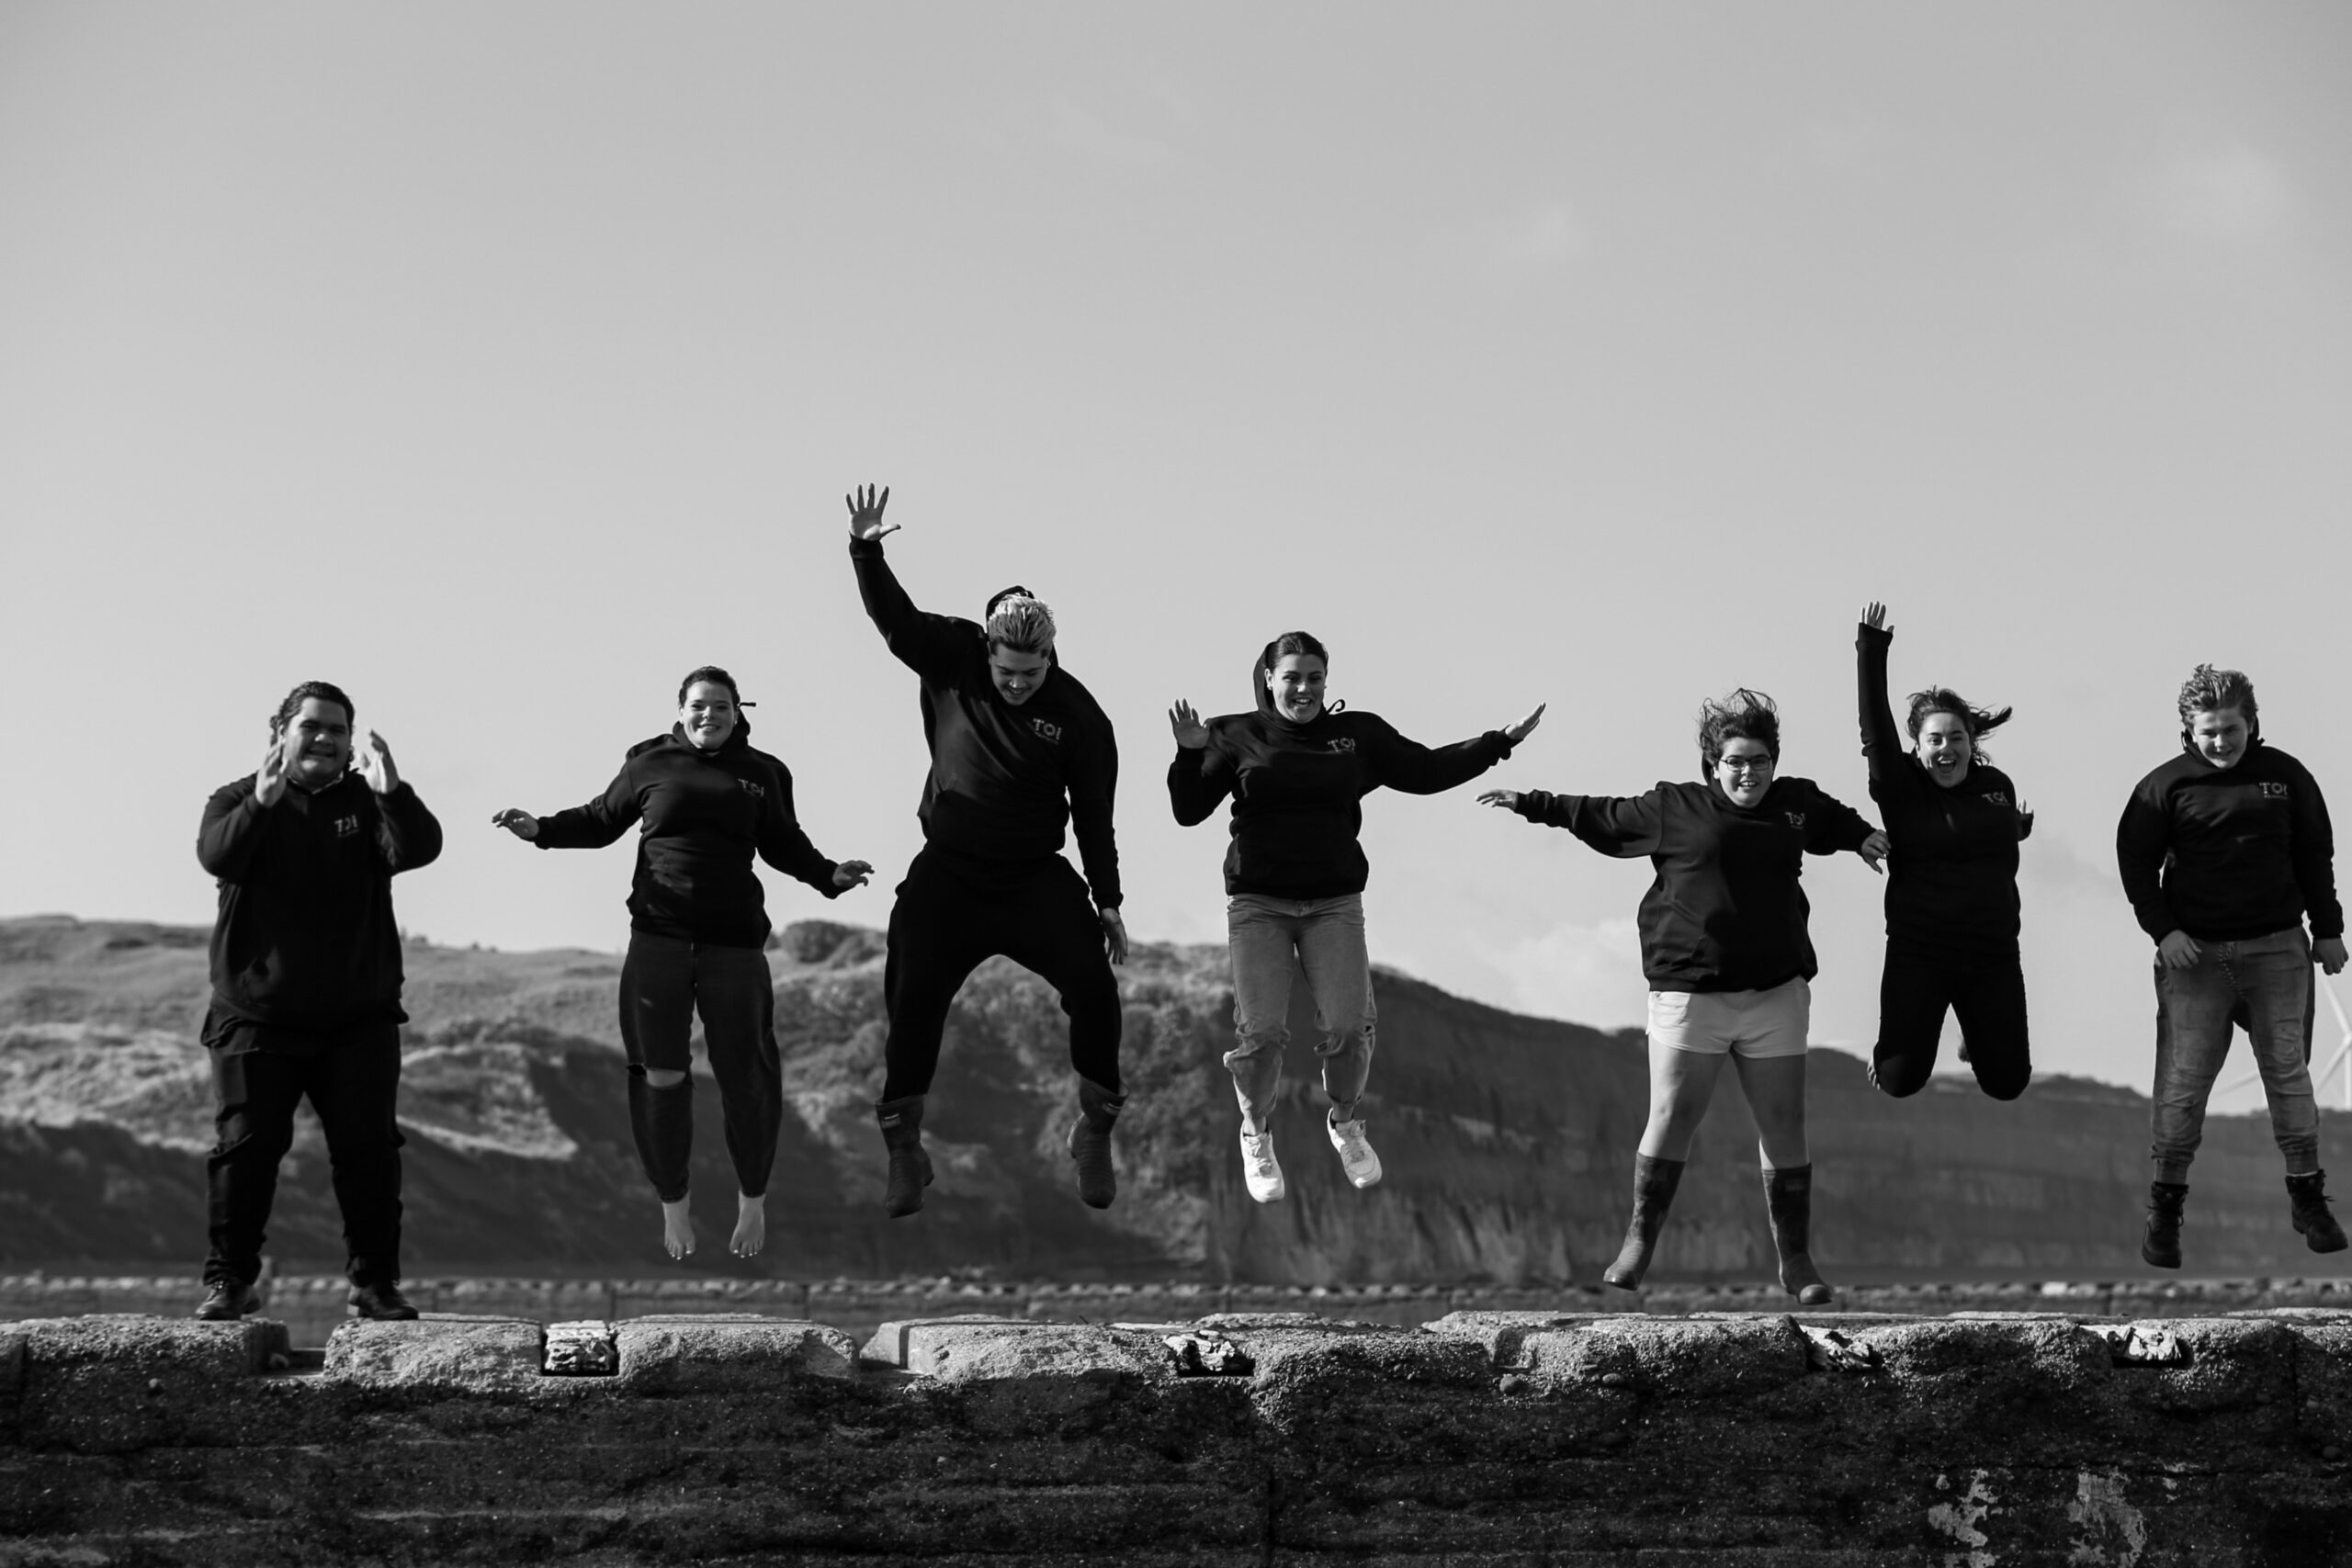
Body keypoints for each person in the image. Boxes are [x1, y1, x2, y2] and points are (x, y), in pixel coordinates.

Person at [1481, 690, 1887, 1306]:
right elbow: (1604, 815)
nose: (1748, 772)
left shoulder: (1795, 805)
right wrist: (1533, 803)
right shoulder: (1675, 807)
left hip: (1774, 994)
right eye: (1735, 762)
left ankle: (1797, 1262)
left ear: (1773, 762)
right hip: (1690, 996)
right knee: (1672, 1118)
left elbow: (1842, 824)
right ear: (1712, 765)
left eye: (1758, 761)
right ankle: (1638, 1244)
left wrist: (1864, 839)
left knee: (1785, 1124)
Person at [492, 667, 871, 1260]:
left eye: (719, 706)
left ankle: (752, 1197)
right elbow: (599, 819)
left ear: (736, 711)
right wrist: (539, 828)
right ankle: (674, 1202)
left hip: (735, 944)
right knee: (661, 1075)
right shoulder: (649, 764)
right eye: (698, 705)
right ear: (681, 708)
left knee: (747, 1076)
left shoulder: (763, 773)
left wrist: (829, 875)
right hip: (659, 940)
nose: (708, 715)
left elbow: (784, 842)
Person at [1168, 633, 1542, 1201]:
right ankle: (1256, 1132)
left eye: (1315, 678)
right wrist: (1191, 752)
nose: (1304, 688)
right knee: (1263, 1033)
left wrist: (1499, 743)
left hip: (1334, 906)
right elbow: (1188, 811)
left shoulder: (1357, 735)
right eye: (1292, 677)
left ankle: (1344, 1122)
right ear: (1269, 678)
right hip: (1258, 908)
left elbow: (1425, 770)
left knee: (1349, 1026)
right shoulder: (1233, 733)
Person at [843, 483, 1127, 1217]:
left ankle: (1094, 1130)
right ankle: (905, 1147)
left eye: (1031, 675)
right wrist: (866, 550)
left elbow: (1095, 815)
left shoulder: (1079, 716)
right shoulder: (952, 655)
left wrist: (1110, 901)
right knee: (911, 998)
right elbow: (893, 620)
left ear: (1052, 657)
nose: (1017, 684)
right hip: (950, 875)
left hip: (1034, 878)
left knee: (1095, 989)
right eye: (1006, 671)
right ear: (988, 648)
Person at [195, 682, 443, 1322]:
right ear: (280, 731)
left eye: (338, 729)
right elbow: (216, 854)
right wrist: (262, 801)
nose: (327, 739)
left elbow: (416, 849)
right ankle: (230, 1282)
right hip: (256, 1017)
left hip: (356, 1020)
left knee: (368, 1156)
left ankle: (375, 1285)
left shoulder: (367, 801)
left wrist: (392, 790)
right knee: (245, 1152)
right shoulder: (235, 800)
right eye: (312, 727)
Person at [2117, 663, 2347, 1268]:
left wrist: (2328, 929)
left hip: (2278, 948)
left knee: (2290, 1074)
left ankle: (2308, 1198)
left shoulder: (2286, 776)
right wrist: (2164, 931)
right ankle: (2164, 1212)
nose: (2221, 741)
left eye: (2231, 729)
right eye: (2209, 731)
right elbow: (2136, 864)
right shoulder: (2163, 786)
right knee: (2183, 1087)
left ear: (2252, 723)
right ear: (2188, 731)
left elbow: (2314, 854)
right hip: (2196, 957)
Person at [1856, 601, 2034, 1100]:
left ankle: (1975, 1033)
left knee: (2007, 1083)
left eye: (1957, 737)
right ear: (1917, 746)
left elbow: (1993, 831)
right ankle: (1898, 1043)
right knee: (1899, 1080)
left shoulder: (1996, 783)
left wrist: (2017, 829)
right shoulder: (1902, 788)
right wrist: (1871, 649)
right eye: (1935, 739)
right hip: (1921, 952)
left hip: (1991, 952)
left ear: (1972, 741)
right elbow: (1874, 729)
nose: (1947, 748)